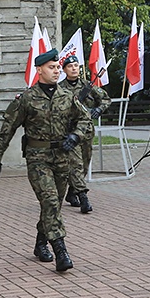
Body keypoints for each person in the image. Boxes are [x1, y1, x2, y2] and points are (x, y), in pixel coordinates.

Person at [0, 49, 92, 272]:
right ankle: (60, 251)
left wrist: (75, 136)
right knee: (51, 201)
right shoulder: (26, 98)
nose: (56, 72)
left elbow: (85, 119)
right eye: (51, 68)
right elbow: (8, 129)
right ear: (39, 70)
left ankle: (40, 242)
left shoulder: (67, 96)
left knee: (52, 205)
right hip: (38, 159)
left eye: (57, 68)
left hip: (62, 158)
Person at [58, 55, 110, 213]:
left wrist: (98, 109)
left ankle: (72, 193)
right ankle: (83, 197)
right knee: (76, 164)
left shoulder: (88, 85)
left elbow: (106, 100)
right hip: (70, 132)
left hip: (86, 131)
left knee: (85, 163)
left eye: (76, 65)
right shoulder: (60, 88)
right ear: (64, 69)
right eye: (70, 66)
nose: (74, 68)